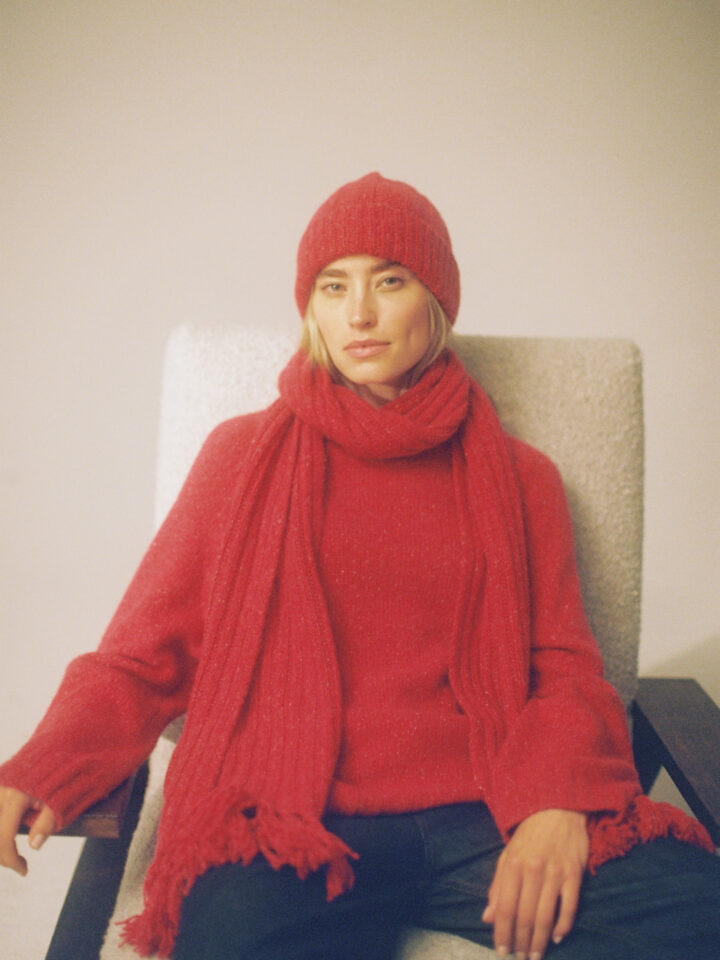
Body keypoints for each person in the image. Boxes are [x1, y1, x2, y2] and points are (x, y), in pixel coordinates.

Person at [0, 172, 718, 960]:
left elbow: (566, 669)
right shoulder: (240, 458)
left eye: (390, 280)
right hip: (294, 819)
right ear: (311, 307)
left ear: (437, 298)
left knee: (700, 914)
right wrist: (45, 766)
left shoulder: (523, 479)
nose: (360, 312)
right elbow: (143, 657)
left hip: (487, 812)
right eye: (334, 286)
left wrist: (557, 804)